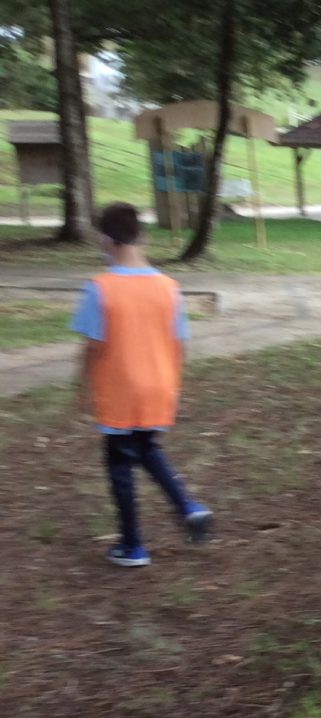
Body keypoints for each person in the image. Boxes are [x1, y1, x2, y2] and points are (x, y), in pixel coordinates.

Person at [71, 202, 212, 568]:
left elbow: (93, 346)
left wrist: (81, 388)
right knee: (147, 447)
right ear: (142, 237)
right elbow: (179, 343)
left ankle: (132, 545)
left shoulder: (100, 288)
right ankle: (188, 507)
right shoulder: (168, 288)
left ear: (106, 241)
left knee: (119, 463)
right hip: (158, 386)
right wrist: (174, 384)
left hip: (121, 391)